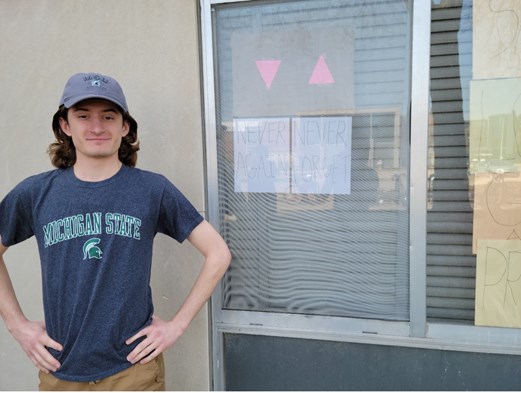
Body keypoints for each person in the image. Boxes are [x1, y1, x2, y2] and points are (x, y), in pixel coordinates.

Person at [0, 72, 232, 390]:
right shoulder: (36, 193)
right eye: (83, 116)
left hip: (133, 373)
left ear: (125, 127)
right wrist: (18, 326)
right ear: (65, 125)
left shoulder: (152, 189)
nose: (97, 127)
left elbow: (218, 253)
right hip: (60, 372)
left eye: (108, 116)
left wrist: (177, 326)